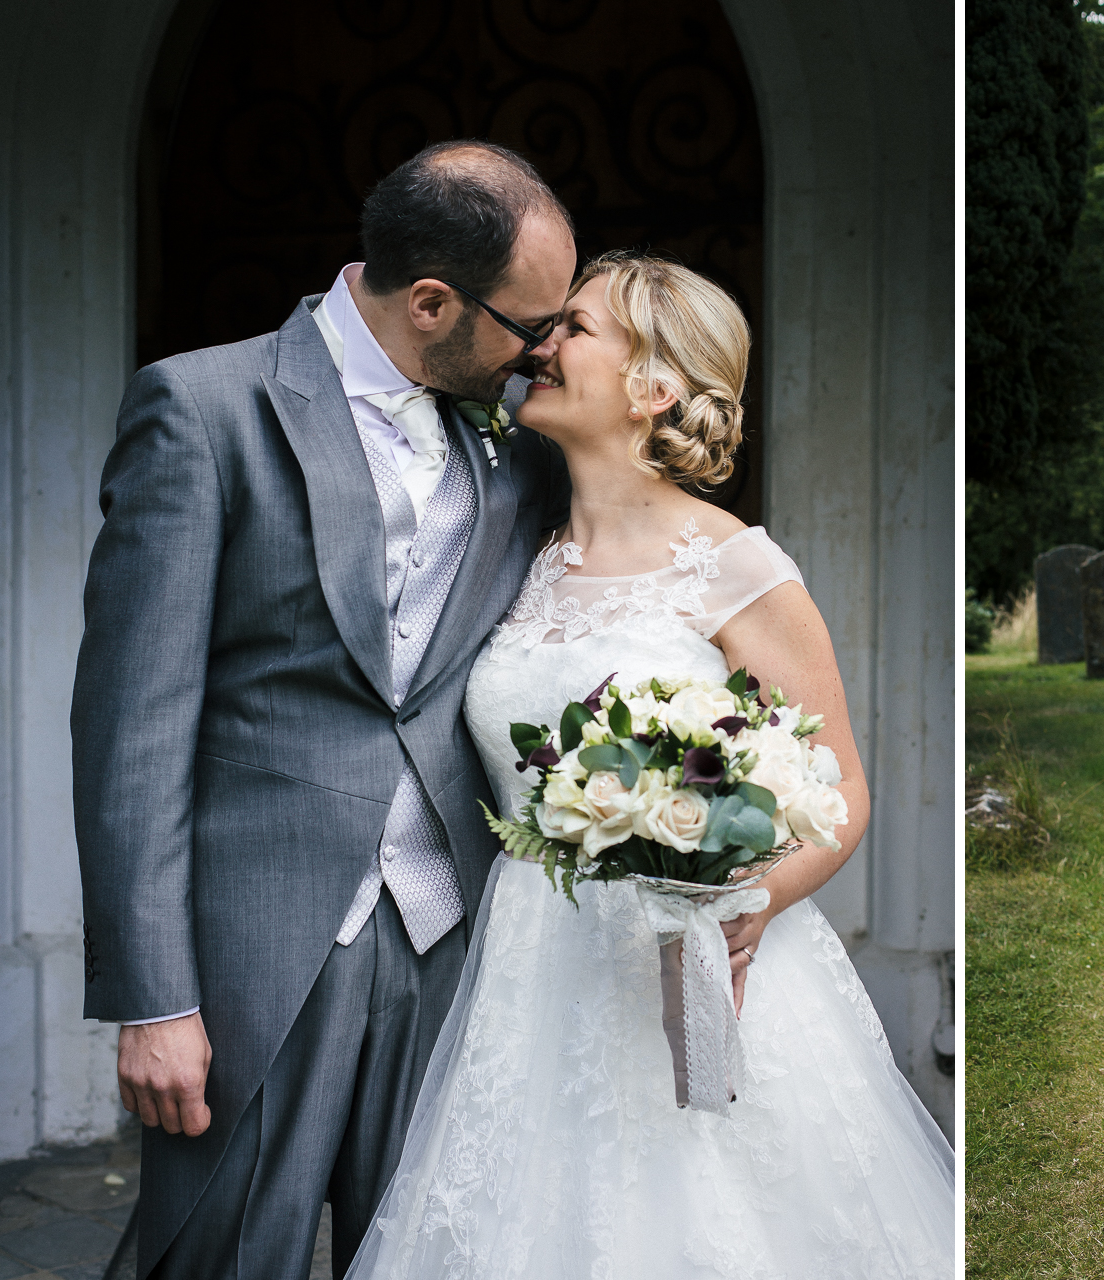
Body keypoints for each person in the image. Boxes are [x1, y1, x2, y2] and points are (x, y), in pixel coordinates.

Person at [343, 253, 954, 1278]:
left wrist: (750, 902)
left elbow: (840, 785)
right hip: (529, 966)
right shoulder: (513, 553)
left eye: (574, 328)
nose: (539, 344)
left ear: (654, 386)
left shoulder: (738, 568)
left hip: (693, 957)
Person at [73, 139, 577, 1277]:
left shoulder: (519, 448)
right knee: (220, 1253)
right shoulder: (202, 408)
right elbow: (131, 727)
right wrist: (154, 997)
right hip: (256, 945)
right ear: (434, 301)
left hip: (450, 930)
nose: (545, 352)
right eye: (530, 325)